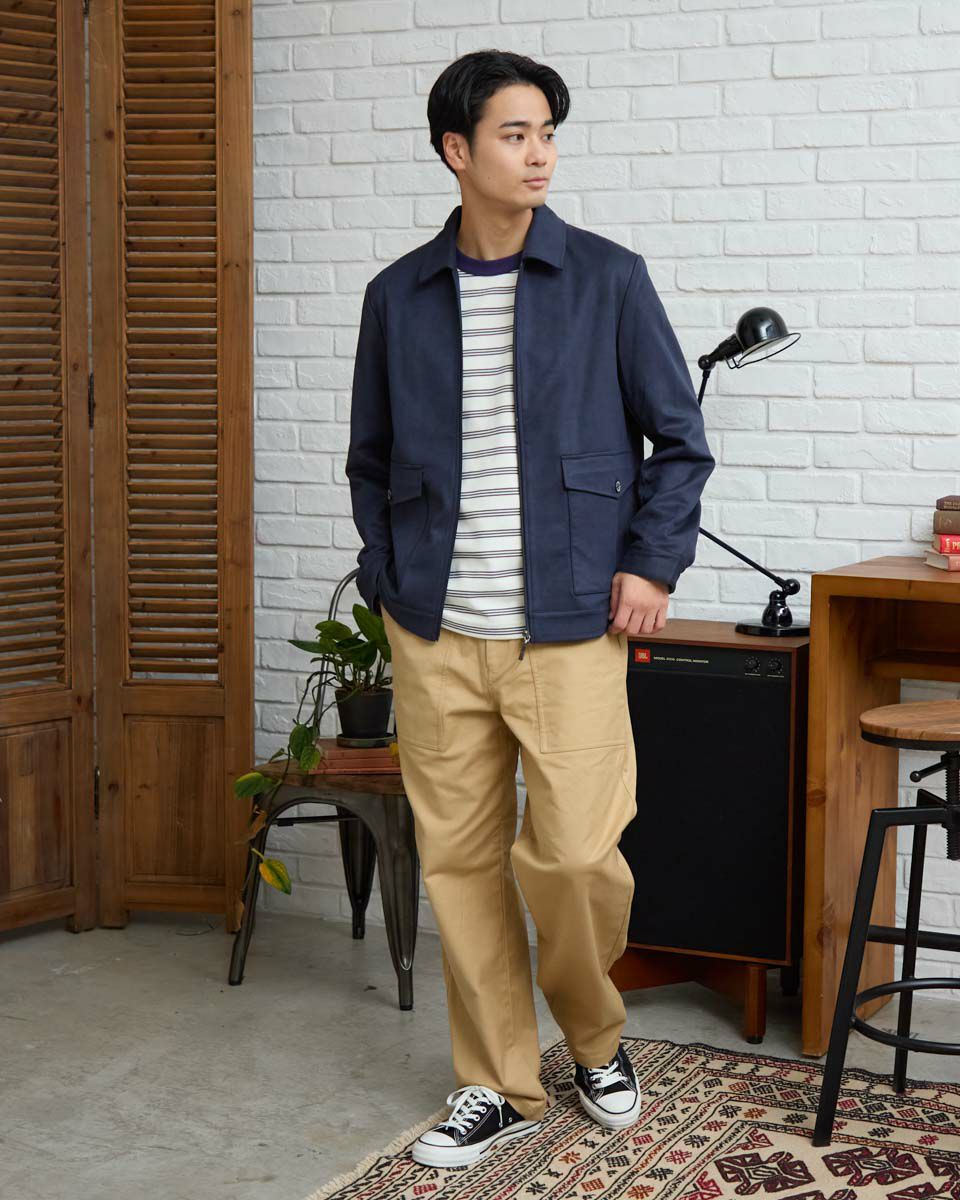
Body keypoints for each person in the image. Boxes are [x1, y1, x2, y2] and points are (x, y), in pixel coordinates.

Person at [345, 49, 715, 1171]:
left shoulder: (608, 279)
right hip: (436, 629)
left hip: (569, 626)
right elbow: (370, 459)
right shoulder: (398, 296)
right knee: (460, 866)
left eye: (548, 131)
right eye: (515, 133)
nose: (540, 152)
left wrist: (651, 567)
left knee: (577, 859)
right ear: (456, 150)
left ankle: (593, 1038)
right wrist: (388, 580)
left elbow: (679, 441)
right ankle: (495, 1081)